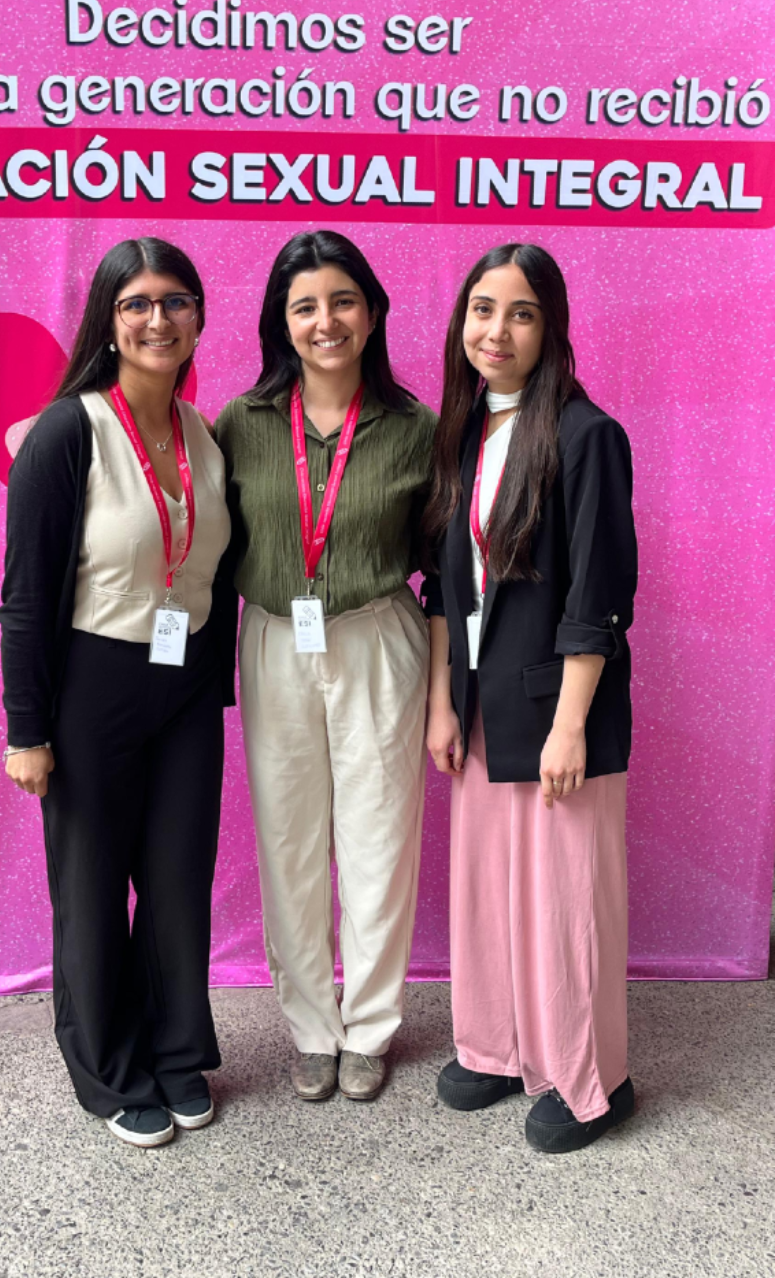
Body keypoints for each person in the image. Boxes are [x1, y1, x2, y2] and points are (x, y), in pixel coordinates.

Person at [0, 237, 235, 1149]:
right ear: (107, 318)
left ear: (198, 317)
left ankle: (176, 1048)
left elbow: (212, 574)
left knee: (177, 881)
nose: (157, 318)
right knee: (93, 887)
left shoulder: (204, 435)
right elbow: (25, 596)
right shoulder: (68, 430)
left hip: (184, 694)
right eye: (135, 302)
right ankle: (106, 1066)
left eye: (176, 301)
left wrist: (212, 689)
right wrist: (28, 730)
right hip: (91, 688)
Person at [422, 242, 638, 1153]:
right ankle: (498, 1046)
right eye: (481, 309)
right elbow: (443, 583)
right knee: (486, 891)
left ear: (550, 327)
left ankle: (594, 1082)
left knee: (566, 901)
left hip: (559, 713)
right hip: (478, 701)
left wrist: (569, 726)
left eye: (519, 312)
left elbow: (598, 597)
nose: (496, 330)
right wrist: (441, 701)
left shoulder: (588, 435)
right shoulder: (464, 431)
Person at [215, 230, 437, 1104]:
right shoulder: (241, 421)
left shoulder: (418, 428)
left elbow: (445, 559)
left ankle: (372, 1024)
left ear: (373, 311)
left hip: (380, 636)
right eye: (304, 305)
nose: (325, 320)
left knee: (379, 839)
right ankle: (312, 1026)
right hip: (273, 637)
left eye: (343, 300)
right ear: (281, 319)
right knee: (289, 841)